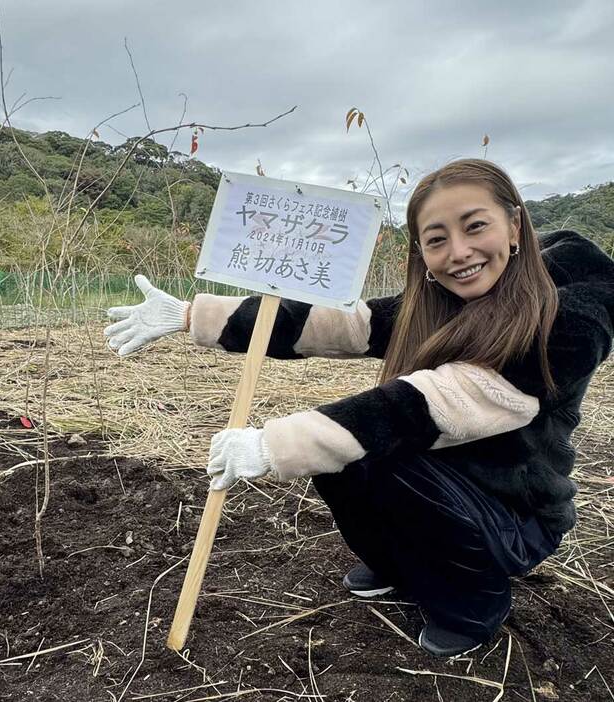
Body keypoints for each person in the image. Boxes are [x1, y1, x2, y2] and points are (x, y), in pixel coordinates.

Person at [103, 159, 614, 657]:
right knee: (344, 461)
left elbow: (435, 403)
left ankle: (473, 605)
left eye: (474, 226)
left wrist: (272, 444)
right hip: (451, 487)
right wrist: (194, 314)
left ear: (514, 225)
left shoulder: (569, 318)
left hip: (515, 512)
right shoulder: (441, 303)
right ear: (421, 251)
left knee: (384, 457)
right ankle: (398, 565)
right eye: (436, 239)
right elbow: (339, 323)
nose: (458, 252)